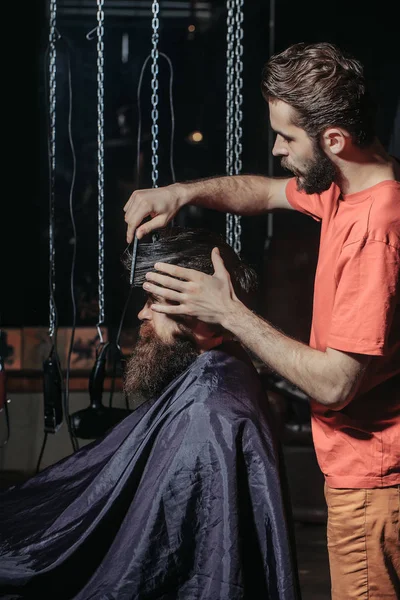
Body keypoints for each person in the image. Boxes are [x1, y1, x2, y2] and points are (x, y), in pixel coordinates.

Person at [123, 42, 400, 599]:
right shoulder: (349, 190)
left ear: (334, 140)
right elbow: (266, 191)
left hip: (373, 483)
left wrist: (227, 311)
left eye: (286, 137)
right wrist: (183, 193)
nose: (276, 149)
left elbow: (335, 383)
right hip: (363, 476)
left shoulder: (376, 232)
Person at [0, 228, 300, 600]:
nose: (142, 312)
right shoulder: (220, 375)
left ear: (200, 313)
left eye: (153, 300)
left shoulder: (211, 412)